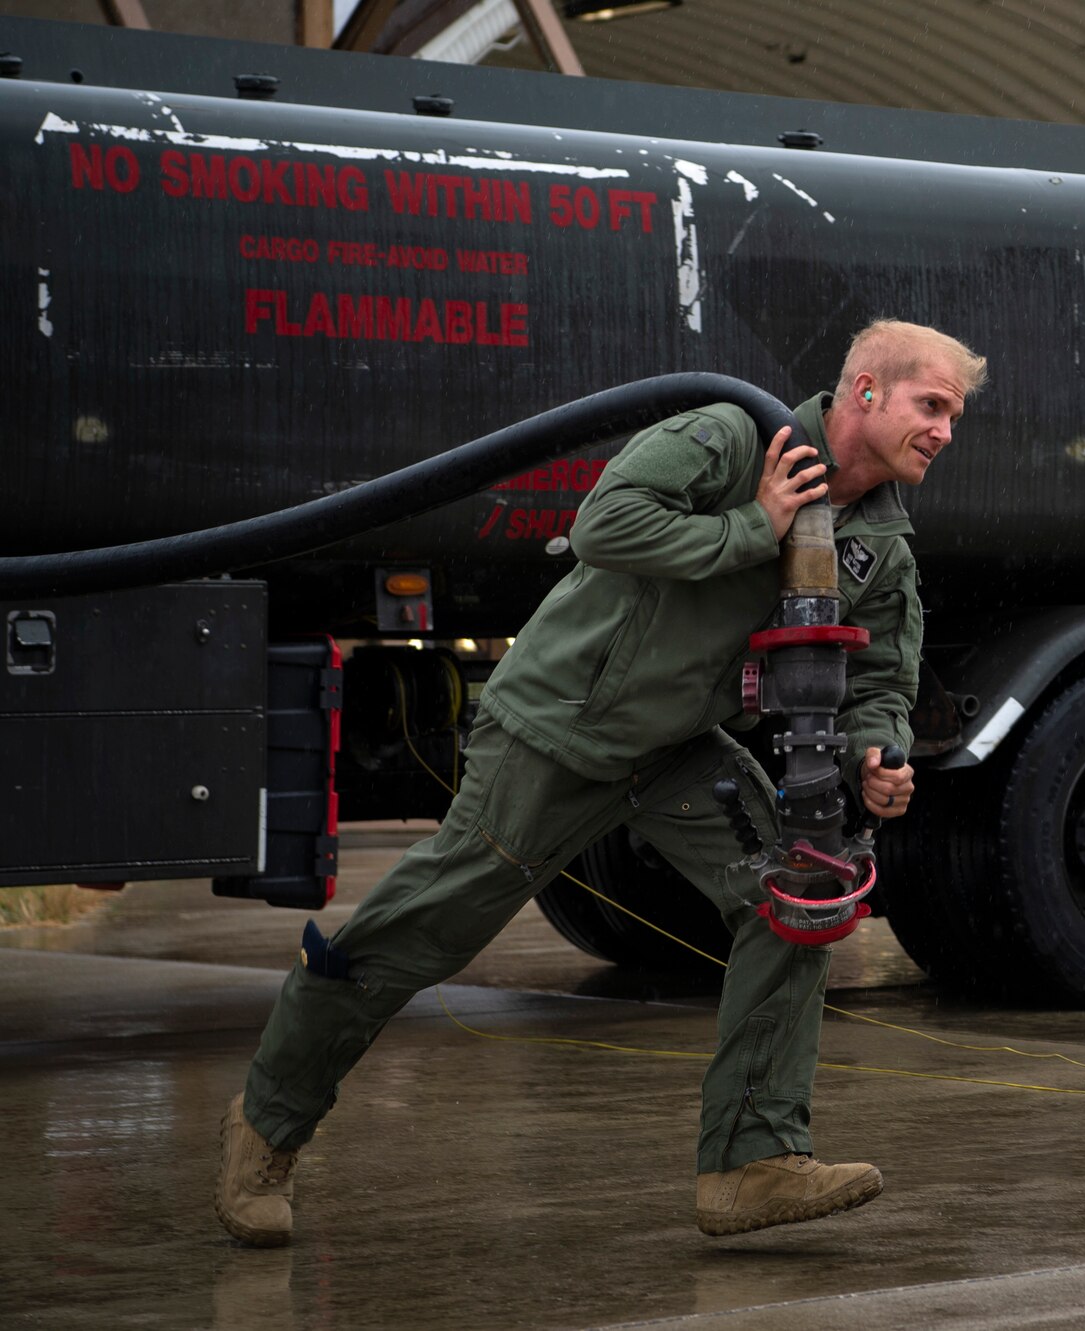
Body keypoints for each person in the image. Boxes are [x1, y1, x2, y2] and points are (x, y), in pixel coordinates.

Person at [215, 319, 987, 1245]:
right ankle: (267, 1123)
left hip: (674, 751)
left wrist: (876, 751)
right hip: (559, 726)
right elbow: (604, 524)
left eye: (954, 413)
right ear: (865, 390)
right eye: (930, 404)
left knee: (800, 889)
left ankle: (750, 1161)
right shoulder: (735, 439)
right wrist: (756, 526)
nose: (945, 430)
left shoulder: (882, 544)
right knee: (420, 933)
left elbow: (881, 679)